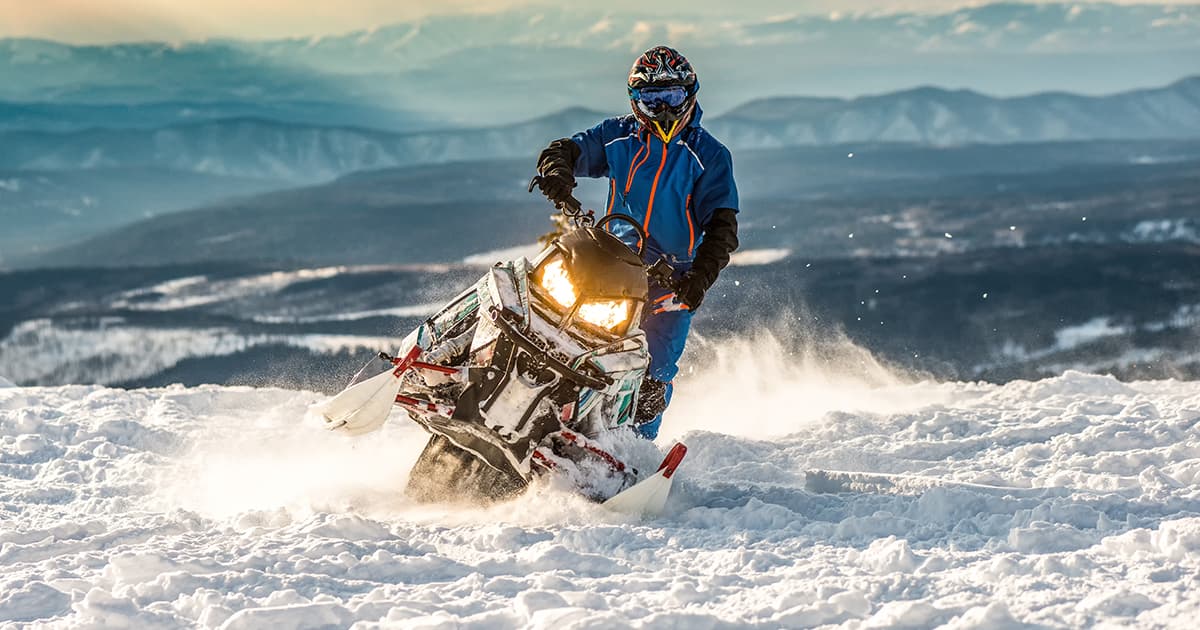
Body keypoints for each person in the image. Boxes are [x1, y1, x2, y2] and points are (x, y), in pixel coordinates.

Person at [532, 45, 739, 440]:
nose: (662, 109)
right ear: (635, 101)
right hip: (610, 261)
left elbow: (722, 224)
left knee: (654, 368)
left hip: (672, 278)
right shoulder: (619, 135)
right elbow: (571, 149)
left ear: (689, 95)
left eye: (671, 97)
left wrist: (700, 277)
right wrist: (557, 169)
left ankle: (633, 450)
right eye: (651, 99)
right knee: (548, 313)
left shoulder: (709, 155)